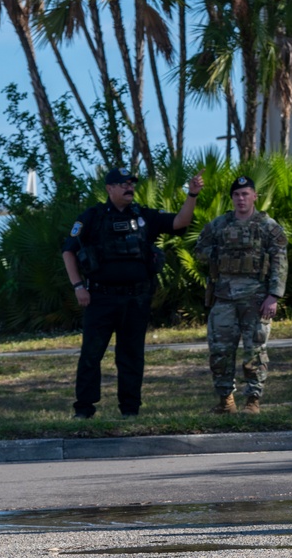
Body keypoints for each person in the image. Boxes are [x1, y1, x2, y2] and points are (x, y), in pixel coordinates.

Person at [62, 166, 204, 419]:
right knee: (91, 355)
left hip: (136, 299)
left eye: (131, 183)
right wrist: (78, 286)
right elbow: (68, 251)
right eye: (123, 184)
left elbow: (180, 222)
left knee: (131, 356)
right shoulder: (92, 216)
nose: (129, 187)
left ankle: (130, 410)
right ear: (109, 188)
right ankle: (84, 409)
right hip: (100, 298)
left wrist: (191, 195)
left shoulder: (144, 216)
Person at [193, 175, 288, 414]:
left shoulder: (268, 226)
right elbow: (199, 251)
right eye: (236, 194)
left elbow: (280, 260)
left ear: (255, 196)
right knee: (220, 352)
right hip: (224, 298)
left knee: (255, 352)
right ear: (232, 198)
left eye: (245, 194)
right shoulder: (219, 225)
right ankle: (226, 401)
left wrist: (274, 296)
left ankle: (253, 401)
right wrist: (220, 252)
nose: (241, 199)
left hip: (256, 299)